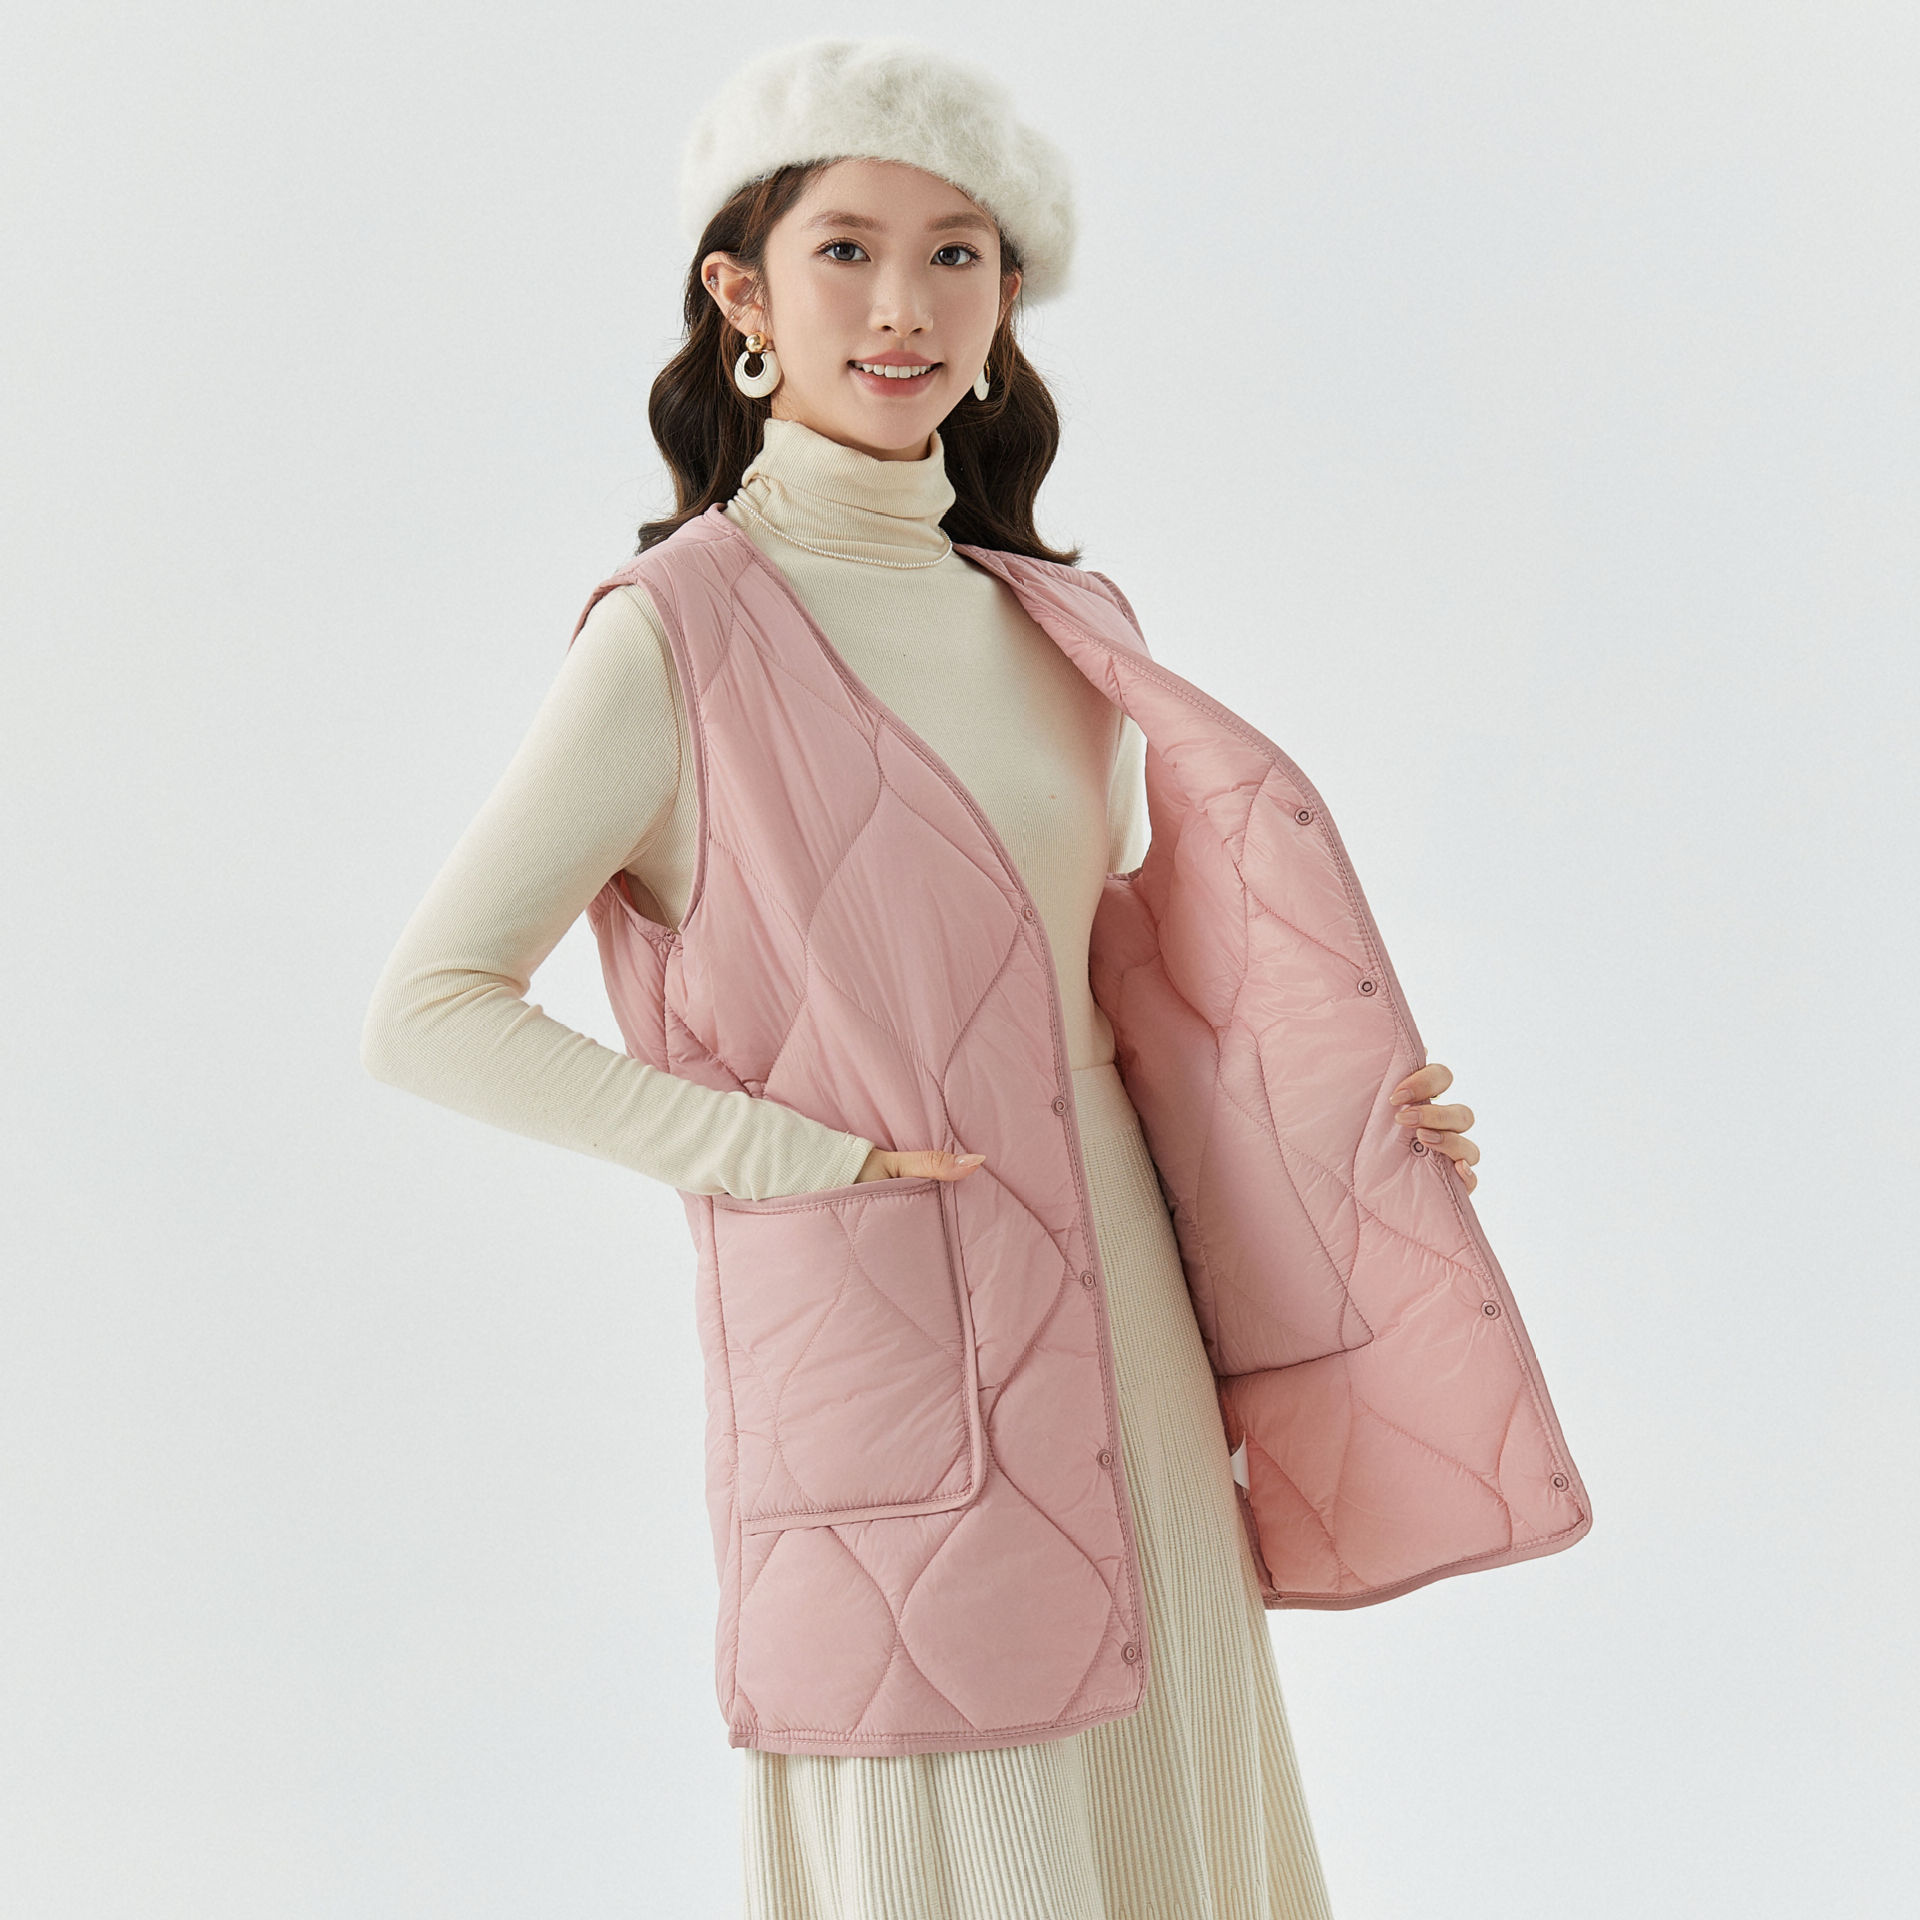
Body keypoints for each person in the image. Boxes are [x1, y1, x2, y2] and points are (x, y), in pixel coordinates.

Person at [362, 35, 1484, 1919]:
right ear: (743, 294)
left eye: (955, 255)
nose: (903, 306)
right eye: (847, 252)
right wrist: (781, 1155)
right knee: (965, 1840)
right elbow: (428, 1010)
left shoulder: (1065, 623)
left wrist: (1345, 1134)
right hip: (882, 1337)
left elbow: (1115, 1014)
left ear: (1007, 296)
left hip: (1135, 1337)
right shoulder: (676, 636)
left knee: (1176, 1823)